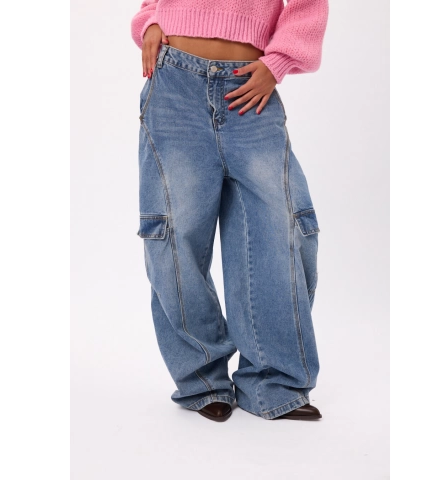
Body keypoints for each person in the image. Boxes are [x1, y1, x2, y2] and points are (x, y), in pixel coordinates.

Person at [130, 0, 329, 422]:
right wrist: (151, 21)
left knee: (279, 230)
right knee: (174, 235)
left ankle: (272, 383)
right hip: (174, 85)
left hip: (250, 88)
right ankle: (202, 380)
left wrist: (278, 62)